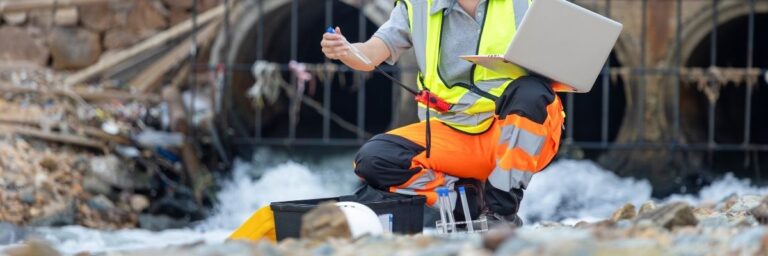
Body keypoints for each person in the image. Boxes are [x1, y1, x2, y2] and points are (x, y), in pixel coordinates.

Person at [320, 0, 564, 226]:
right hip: (453, 134)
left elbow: (564, 58)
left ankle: (500, 213)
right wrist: (345, 50)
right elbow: (369, 56)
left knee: (531, 91)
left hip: (517, 133)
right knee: (373, 160)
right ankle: (464, 201)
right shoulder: (417, 4)